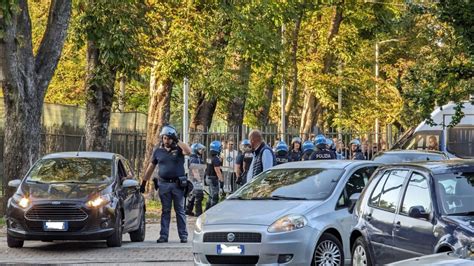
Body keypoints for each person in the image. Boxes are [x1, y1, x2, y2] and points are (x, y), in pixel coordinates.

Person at [141, 124, 191, 244]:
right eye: (164, 138)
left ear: (173, 138)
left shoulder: (179, 150)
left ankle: (183, 235)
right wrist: (143, 182)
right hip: (163, 185)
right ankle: (164, 236)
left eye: (168, 138)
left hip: (177, 185)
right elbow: (150, 167)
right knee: (165, 211)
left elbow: (188, 151)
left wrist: (177, 139)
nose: (166, 140)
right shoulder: (158, 151)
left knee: (180, 210)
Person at [185, 143, 206, 217]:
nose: (202, 151)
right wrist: (199, 180)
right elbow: (195, 170)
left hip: (195, 180)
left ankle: (188, 210)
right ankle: (198, 213)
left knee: (194, 195)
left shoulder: (198, 158)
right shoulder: (194, 159)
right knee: (198, 195)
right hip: (195, 180)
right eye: (200, 149)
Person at [205, 140, 223, 209]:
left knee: (210, 195)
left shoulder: (209, 157)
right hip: (213, 179)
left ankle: (207, 210)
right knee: (215, 197)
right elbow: (218, 171)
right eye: (220, 148)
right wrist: (221, 181)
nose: (221, 149)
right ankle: (212, 212)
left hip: (208, 177)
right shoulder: (215, 159)